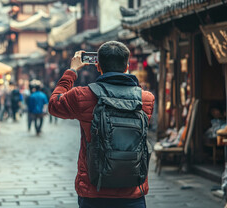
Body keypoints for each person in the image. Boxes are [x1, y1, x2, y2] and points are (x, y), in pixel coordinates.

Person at [48, 41, 155, 208]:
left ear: (98, 66)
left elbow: (54, 105)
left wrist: (72, 70)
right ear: (127, 66)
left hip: (93, 191)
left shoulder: (82, 96)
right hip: (133, 191)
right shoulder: (146, 99)